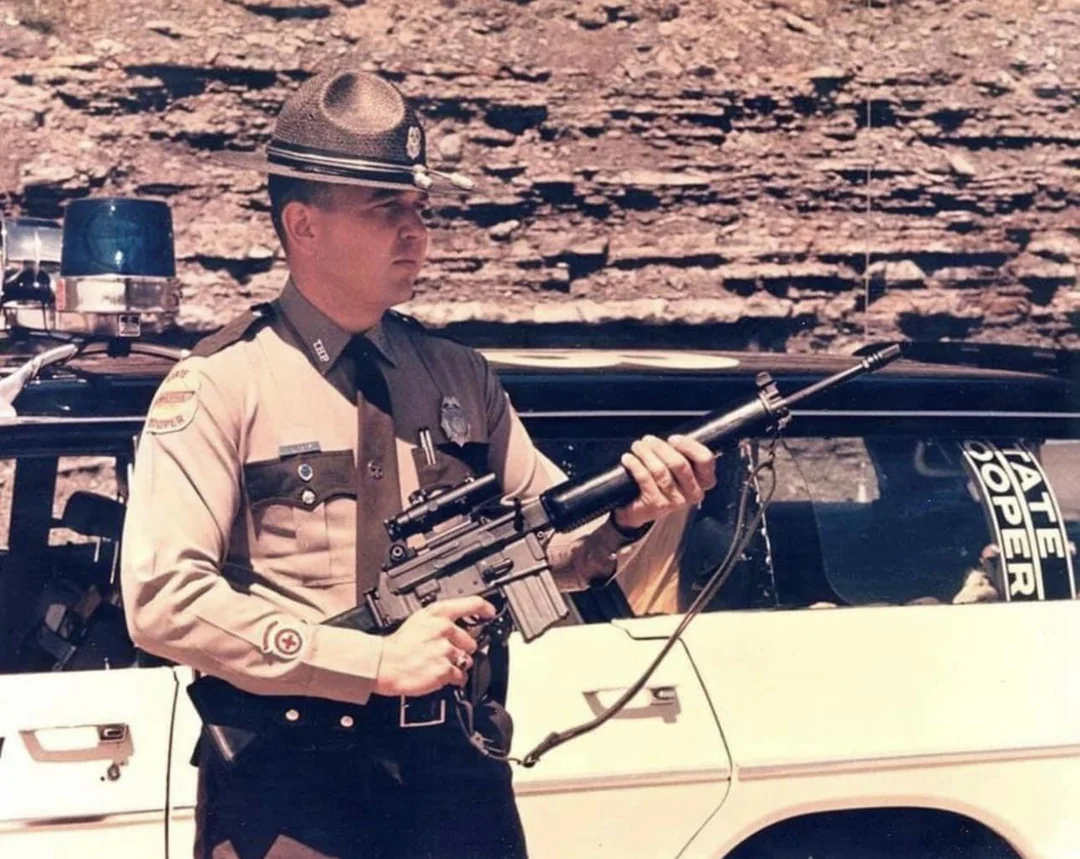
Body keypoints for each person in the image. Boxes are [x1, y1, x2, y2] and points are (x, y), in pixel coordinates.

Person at [120, 63, 716, 859]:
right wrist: (371, 661)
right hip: (293, 792)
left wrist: (630, 515)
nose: (415, 231)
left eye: (420, 208)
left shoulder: (458, 378)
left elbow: (554, 548)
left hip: (454, 779)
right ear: (303, 225)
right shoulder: (223, 384)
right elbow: (162, 600)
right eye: (385, 209)